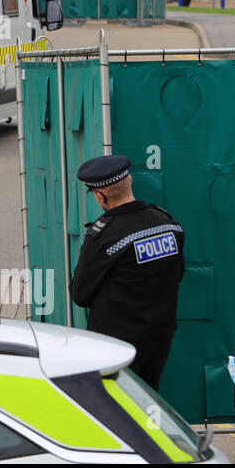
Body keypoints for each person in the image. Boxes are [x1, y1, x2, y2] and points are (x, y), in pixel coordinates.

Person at [68, 155, 184, 389]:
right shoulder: (168, 223)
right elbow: (177, 274)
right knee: (147, 403)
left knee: (113, 409)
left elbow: (80, 295)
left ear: (100, 196)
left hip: (116, 344)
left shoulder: (103, 236)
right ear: (129, 180)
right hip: (160, 336)